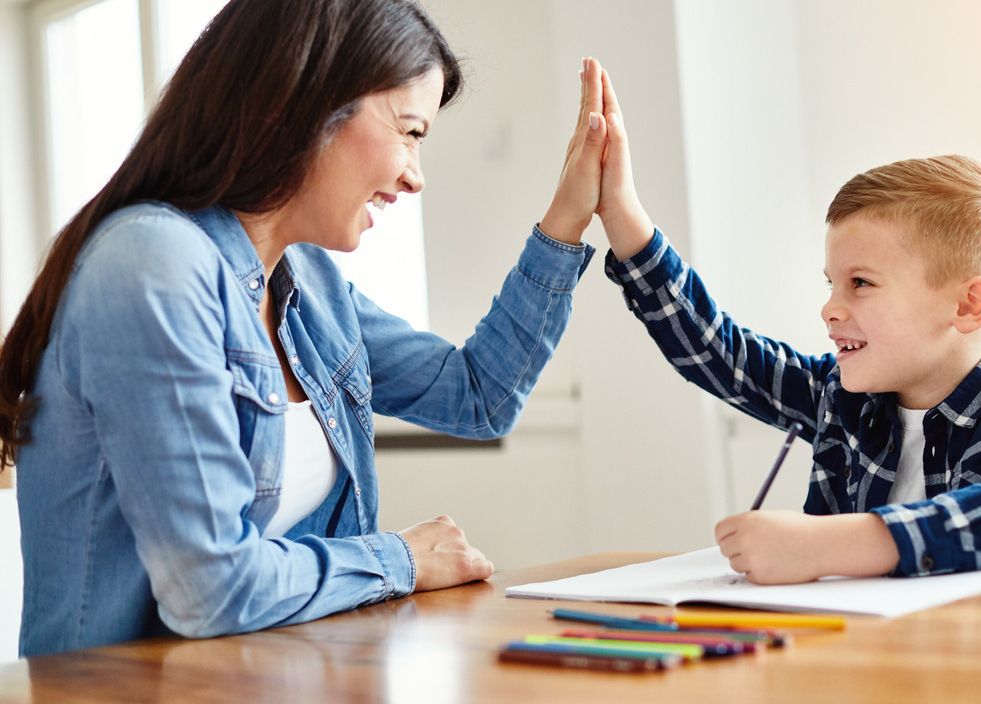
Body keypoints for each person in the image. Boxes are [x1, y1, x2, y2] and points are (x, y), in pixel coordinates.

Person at [0, 0, 612, 657]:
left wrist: (568, 217)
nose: (415, 175)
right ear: (305, 101)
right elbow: (210, 590)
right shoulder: (154, 266)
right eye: (409, 131)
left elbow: (478, 396)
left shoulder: (307, 282)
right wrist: (399, 558)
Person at [588, 71, 981, 583]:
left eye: (861, 283)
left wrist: (826, 546)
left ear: (968, 305)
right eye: (831, 283)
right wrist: (623, 216)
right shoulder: (842, 395)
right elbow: (718, 351)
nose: (829, 309)